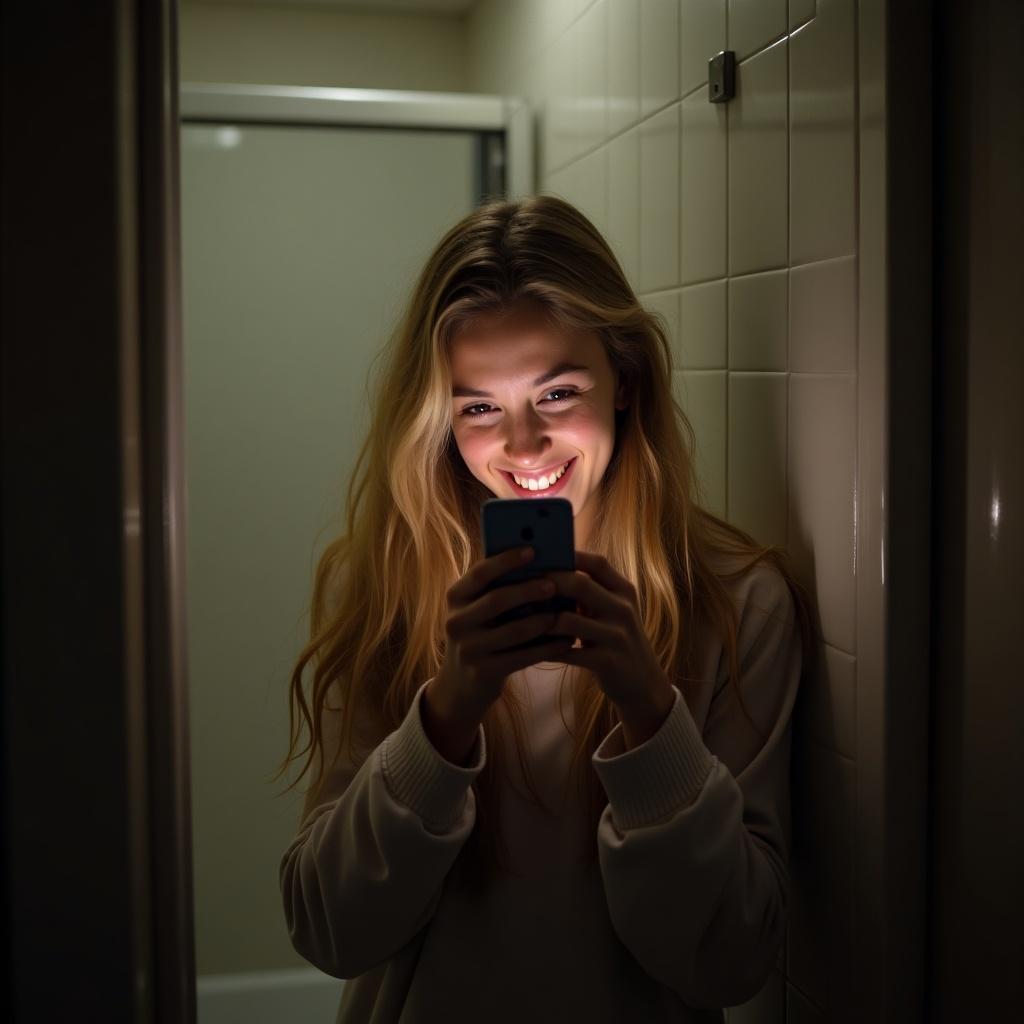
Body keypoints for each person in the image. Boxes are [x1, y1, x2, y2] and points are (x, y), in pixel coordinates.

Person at [276, 194, 815, 1023]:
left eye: (558, 393)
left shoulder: (738, 605)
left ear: (626, 378)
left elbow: (733, 959)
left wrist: (647, 708)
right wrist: (446, 715)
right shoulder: (390, 592)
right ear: (440, 420)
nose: (523, 447)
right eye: (480, 408)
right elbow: (328, 929)